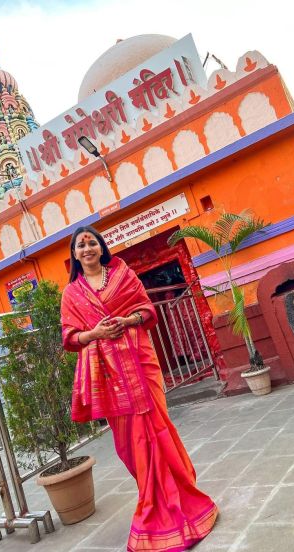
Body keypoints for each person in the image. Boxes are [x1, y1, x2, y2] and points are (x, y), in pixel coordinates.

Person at [61, 225, 218, 552]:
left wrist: (126, 321)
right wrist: (96, 333)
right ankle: (153, 500)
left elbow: (147, 311)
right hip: (108, 375)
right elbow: (70, 339)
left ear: (101, 248)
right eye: (81, 245)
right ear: (74, 254)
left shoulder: (122, 275)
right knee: (130, 443)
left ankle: (179, 502)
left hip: (140, 362)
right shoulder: (72, 294)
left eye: (92, 242)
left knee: (157, 428)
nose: (87, 248)